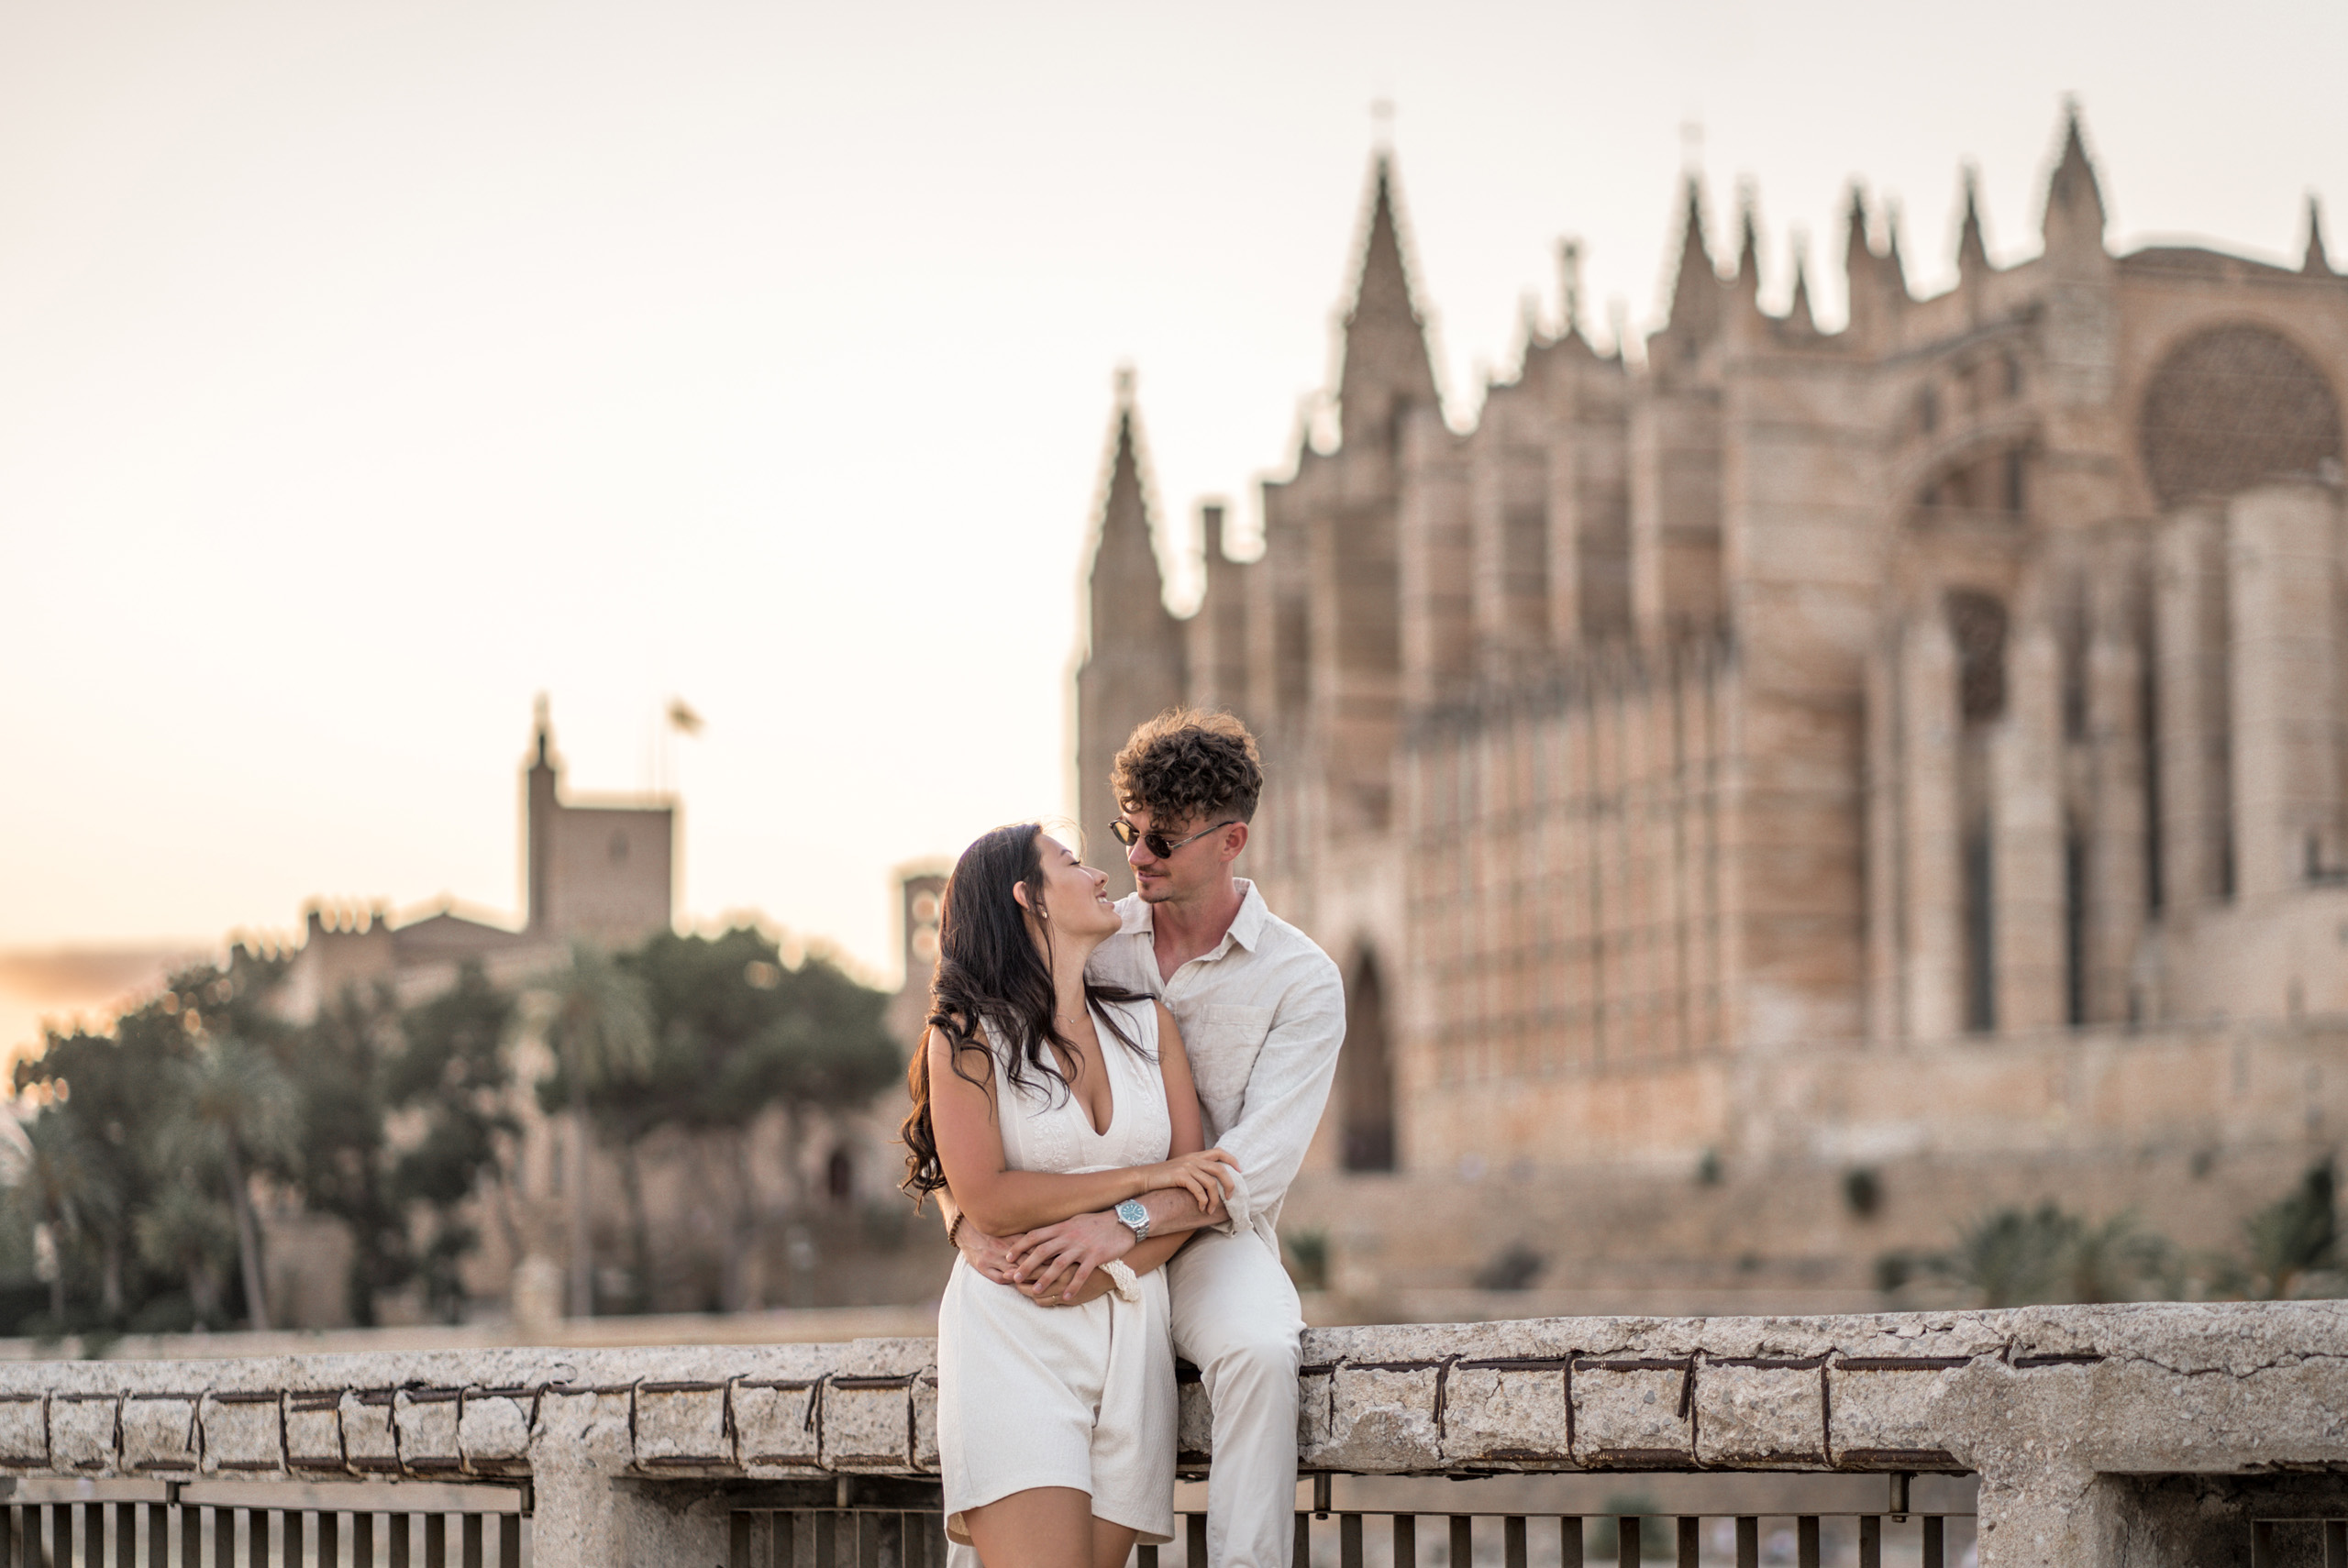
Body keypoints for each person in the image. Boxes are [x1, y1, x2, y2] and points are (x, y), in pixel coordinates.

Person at [945, 711, 1347, 1568]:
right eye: (1129, 832)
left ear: (1230, 839)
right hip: (1065, 1235)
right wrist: (963, 1216)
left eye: (1160, 839)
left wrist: (1123, 1226)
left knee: (1261, 1352)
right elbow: (962, 1096)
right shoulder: (1089, 935)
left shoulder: (1302, 979)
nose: (1134, 859)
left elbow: (1251, 1170)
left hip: (1208, 1232)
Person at [903, 822, 1241, 1568]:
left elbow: (1203, 1191)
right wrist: (1142, 1180)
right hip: (1017, 1333)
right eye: (1073, 863)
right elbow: (987, 1198)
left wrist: (1127, 1238)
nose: (1099, 875)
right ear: (1029, 898)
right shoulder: (963, 1035)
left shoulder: (1148, 1026)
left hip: (1133, 1339)